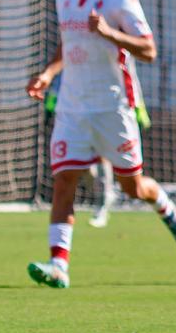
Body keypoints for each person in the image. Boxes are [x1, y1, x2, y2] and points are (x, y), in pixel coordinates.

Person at [25, 0, 176, 289]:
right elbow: (66, 46)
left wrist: (109, 34)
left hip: (113, 108)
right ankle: (59, 265)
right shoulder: (65, 0)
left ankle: (163, 205)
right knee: (63, 183)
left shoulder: (121, 2)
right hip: (72, 109)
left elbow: (149, 50)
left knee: (132, 187)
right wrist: (48, 73)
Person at [44, 75, 153, 229]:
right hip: (75, 117)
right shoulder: (72, 57)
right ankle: (105, 194)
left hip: (104, 113)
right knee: (82, 168)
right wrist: (50, 105)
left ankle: (103, 203)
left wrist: (139, 111)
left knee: (104, 160)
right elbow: (59, 80)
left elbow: (130, 77)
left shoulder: (110, 55)